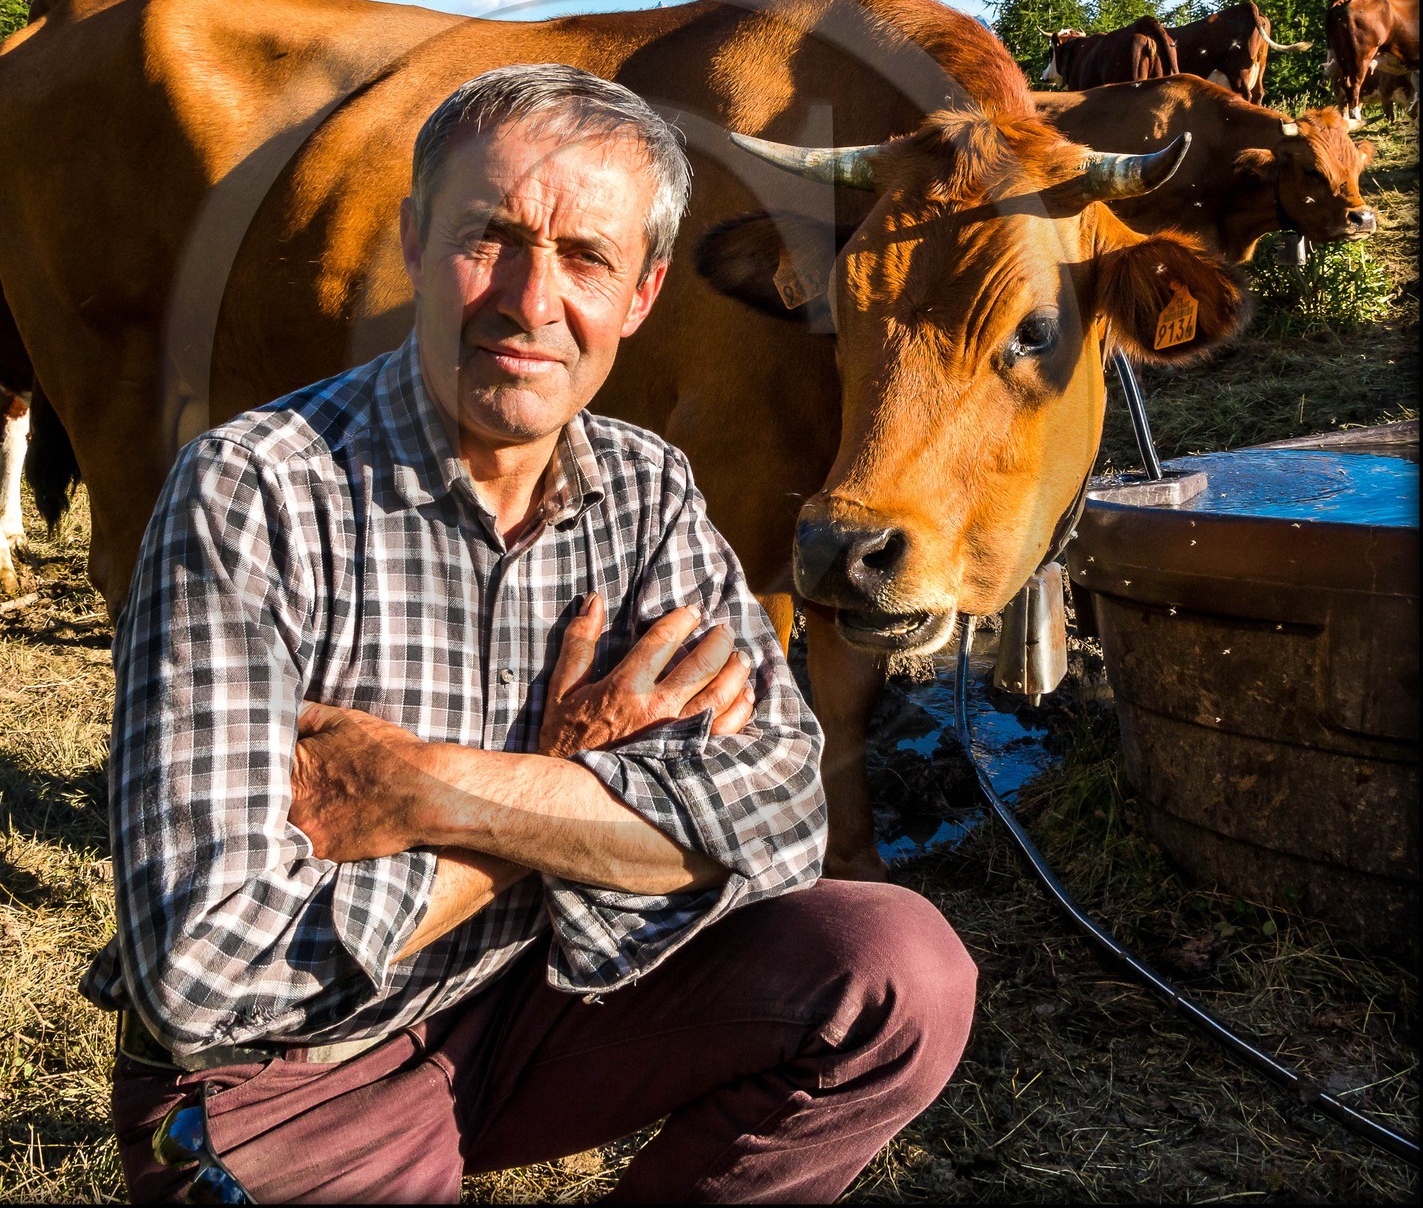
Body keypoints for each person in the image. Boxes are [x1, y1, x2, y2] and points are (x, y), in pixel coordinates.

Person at [83, 64, 977, 1203]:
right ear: (412, 242)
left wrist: (436, 790)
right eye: (489, 236)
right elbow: (204, 976)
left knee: (899, 969)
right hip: (294, 1071)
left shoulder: (644, 486)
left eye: (586, 257)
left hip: (537, 994)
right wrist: (574, 791)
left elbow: (786, 823)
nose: (529, 298)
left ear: (643, 293)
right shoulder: (254, 492)